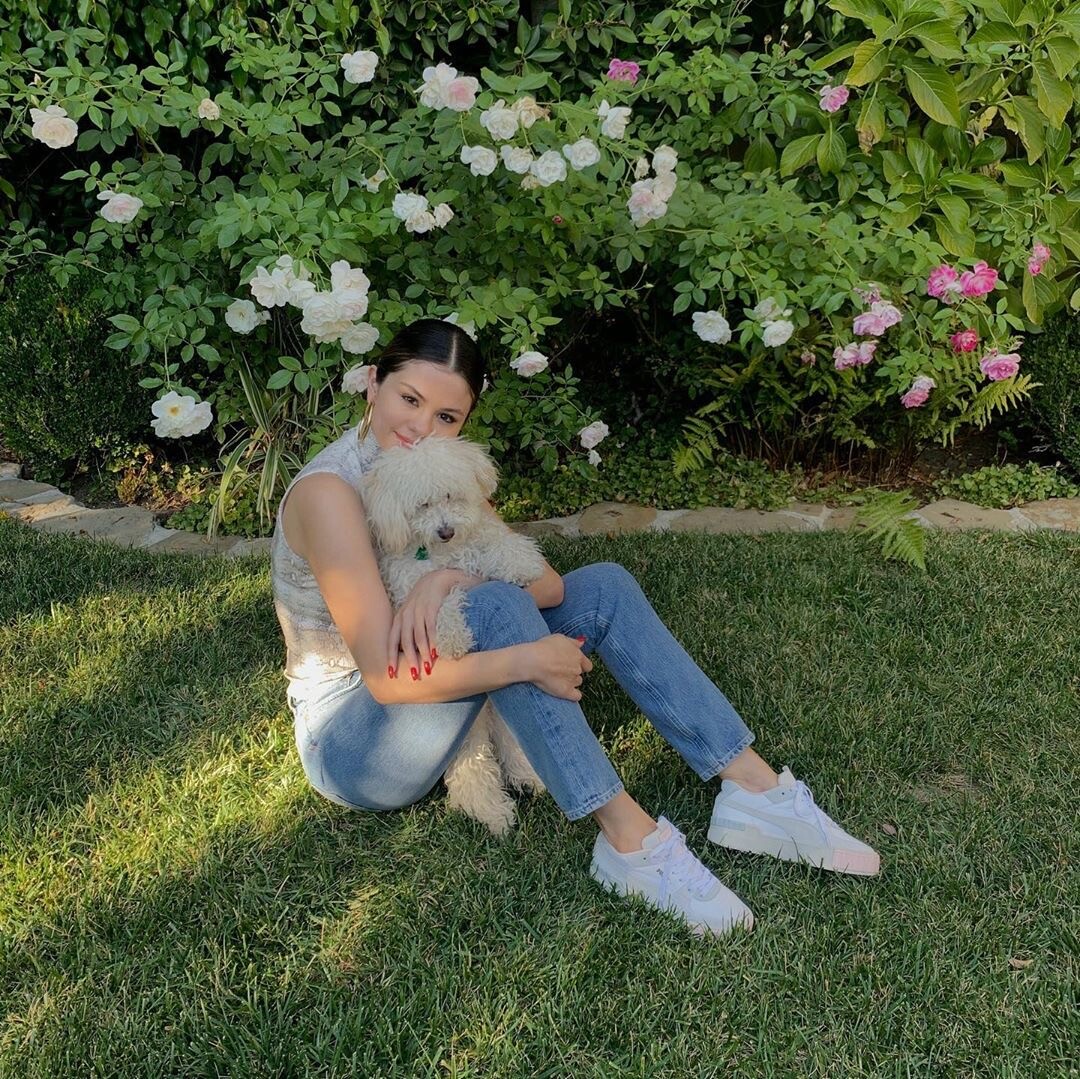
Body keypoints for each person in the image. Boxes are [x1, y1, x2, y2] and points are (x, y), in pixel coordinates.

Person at [271, 318, 879, 937]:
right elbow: (385, 679)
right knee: (497, 609)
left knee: (604, 587)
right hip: (357, 741)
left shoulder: (442, 472)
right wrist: (526, 660)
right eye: (409, 399)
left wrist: (446, 579)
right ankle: (630, 843)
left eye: (447, 416)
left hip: (433, 668)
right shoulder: (332, 492)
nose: (422, 427)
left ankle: (752, 787)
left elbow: (549, 587)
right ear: (374, 383)